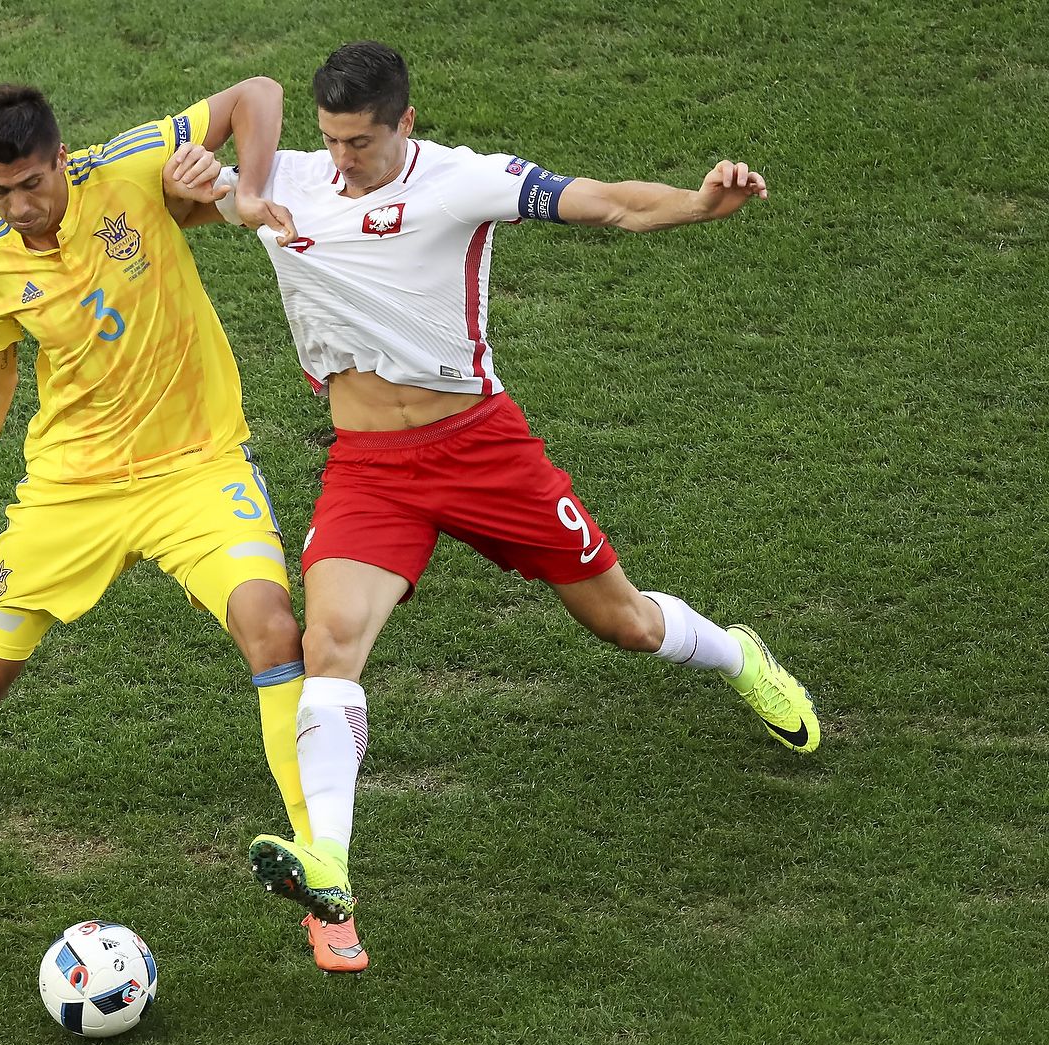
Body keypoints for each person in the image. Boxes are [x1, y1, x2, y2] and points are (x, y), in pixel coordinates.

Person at [193, 41, 819, 963]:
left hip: (482, 450)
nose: (341, 161)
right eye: (329, 139)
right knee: (328, 643)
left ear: (405, 123)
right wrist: (206, 182)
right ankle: (330, 872)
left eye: (360, 142)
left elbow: (605, 202)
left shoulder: (462, 182)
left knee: (627, 624)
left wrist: (696, 203)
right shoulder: (286, 179)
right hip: (369, 465)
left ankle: (739, 657)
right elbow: (198, 157)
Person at [0, 77, 351, 968]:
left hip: (197, 467)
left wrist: (244, 193)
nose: (18, 206)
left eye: (30, 184)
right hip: (71, 490)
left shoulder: (126, 167)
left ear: (59, 157)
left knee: (274, 629)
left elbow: (257, 94)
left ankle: (323, 876)